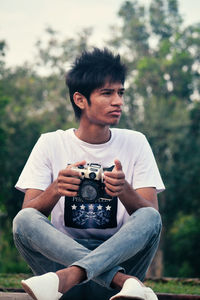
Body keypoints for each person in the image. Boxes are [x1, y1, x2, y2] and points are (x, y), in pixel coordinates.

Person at [13, 48, 165, 300]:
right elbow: (29, 216)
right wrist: (55, 189)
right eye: (107, 93)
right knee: (23, 220)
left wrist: (124, 190)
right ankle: (119, 279)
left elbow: (151, 219)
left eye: (121, 93)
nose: (118, 101)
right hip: (68, 263)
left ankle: (71, 275)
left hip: (73, 279)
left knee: (149, 216)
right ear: (80, 100)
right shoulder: (51, 143)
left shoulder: (136, 142)